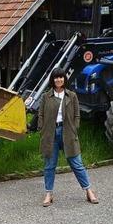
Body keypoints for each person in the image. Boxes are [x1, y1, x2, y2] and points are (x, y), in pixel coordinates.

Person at [38, 67, 98, 207]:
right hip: (50, 133)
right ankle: (48, 194)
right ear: (52, 80)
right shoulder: (46, 96)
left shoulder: (72, 95)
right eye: (56, 77)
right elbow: (40, 115)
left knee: (77, 164)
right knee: (49, 165)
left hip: (68, 133)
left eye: (61, 77)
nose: (58, 80)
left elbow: (77, 114)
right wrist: (42, 129)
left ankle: (89, 191)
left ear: (65, 79)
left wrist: (74, 128)